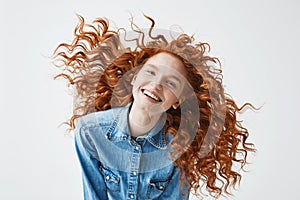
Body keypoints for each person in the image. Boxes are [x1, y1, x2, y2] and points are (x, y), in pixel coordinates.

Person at [52, 15, 256, 199]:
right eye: (150, 72)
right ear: (133, 78)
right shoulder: (89, 132)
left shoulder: (180, 146)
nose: (157, 85)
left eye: (171, 83)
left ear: (177, 101)